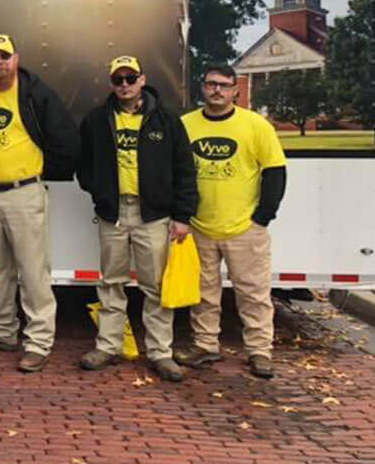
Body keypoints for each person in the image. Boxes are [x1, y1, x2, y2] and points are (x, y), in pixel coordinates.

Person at [0, 34, 78, 372]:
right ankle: (3, 331)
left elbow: (66, 138)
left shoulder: (34, 94)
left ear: (17, 59)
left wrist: (45, 174)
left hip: (25, 192)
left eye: (5, 57)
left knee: (32, 270)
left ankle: (39, 341)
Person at [76, 55, 196, 382]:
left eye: (131, 78)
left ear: (143, 80)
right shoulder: (97, 121)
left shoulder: (166, 121)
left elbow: (185, 170)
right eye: (119, 79)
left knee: (155, 287)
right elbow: (83, 164)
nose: (125, 85)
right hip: (114, 213)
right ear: (111, 83)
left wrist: (182, 215)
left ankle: (160, 353)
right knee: (111, 283)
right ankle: (109, 346)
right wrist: (100, 192)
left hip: (154, 216)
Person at [176, 64, 287, 379]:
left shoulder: (255, 126)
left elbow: (275, 172)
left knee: (253, 292)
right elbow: (177, 172)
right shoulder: (186, 125)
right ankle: (205, 345)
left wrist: (262, 216)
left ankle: (259, 351)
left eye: (224, 85)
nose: (217, 91)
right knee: (203, 293)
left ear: (235, 91)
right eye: (211, 84)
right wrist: (182, 216)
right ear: (202, 87)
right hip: (199, 226)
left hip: (244, 227)